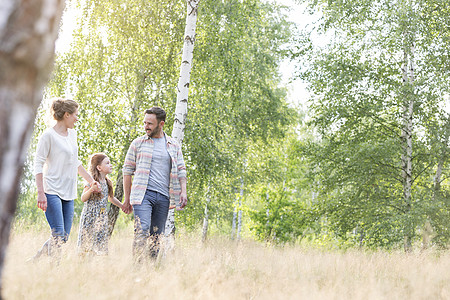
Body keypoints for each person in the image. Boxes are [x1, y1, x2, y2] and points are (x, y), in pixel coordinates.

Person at [33, 98, 99, 261]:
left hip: (68, 191)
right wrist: (40, 193)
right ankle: (54, 269)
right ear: (67, 115)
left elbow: (75, 162)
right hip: (51, 190)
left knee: (64, 237)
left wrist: (91, 181)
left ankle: (37, 259)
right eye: (75, 115)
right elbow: (38, 164)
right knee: (58, 234)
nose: (77, 118)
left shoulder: (73, 134)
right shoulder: (48, 136)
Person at [121, 106, 187, 261]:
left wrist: (183, 191)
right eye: (145, 123)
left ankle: (150, 270)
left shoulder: (173, 145)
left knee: (156, 235)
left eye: (150, 123)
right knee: (142, 229)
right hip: (143, 195)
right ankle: (137, 268)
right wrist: (127, 198)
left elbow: (182, 170)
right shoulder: (138, 143)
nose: (146, 127)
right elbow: (127, 171)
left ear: (161, 124)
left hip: (164, 196)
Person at [78, 153, 123, 256]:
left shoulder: (107, 182)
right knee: (86, 246)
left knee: (99, 247)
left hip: (102, 219)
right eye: (107, 163)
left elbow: (111, 198)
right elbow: (83, 198)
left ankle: (98, 265)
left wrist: (122, 206)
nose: (110, 165)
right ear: (99, 167)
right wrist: (91, 190)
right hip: (90, 218)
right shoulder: (92, 182)